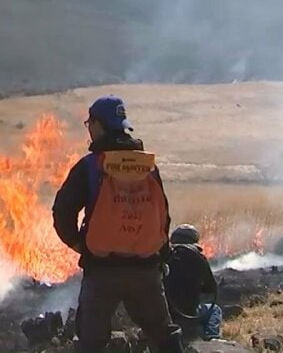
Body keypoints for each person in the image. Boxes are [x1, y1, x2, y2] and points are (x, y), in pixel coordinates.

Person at [52, 96, 184, 353]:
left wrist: (79, 244)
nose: (89, 128)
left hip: (102, 271)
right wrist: (160, 254)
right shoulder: (147, 167)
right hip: (145, 271)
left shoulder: (90, 167)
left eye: (90, 122)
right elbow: (162, 215)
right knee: (163, 335)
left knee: (91, 342)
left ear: (99, 126)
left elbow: (62, 212)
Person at [164, 224, 223, 342]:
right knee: (215, 310)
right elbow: (210, 288)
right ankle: (212, 339)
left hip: (164, 312)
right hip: (190, 311)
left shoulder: (165, 256)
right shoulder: (198, 258)